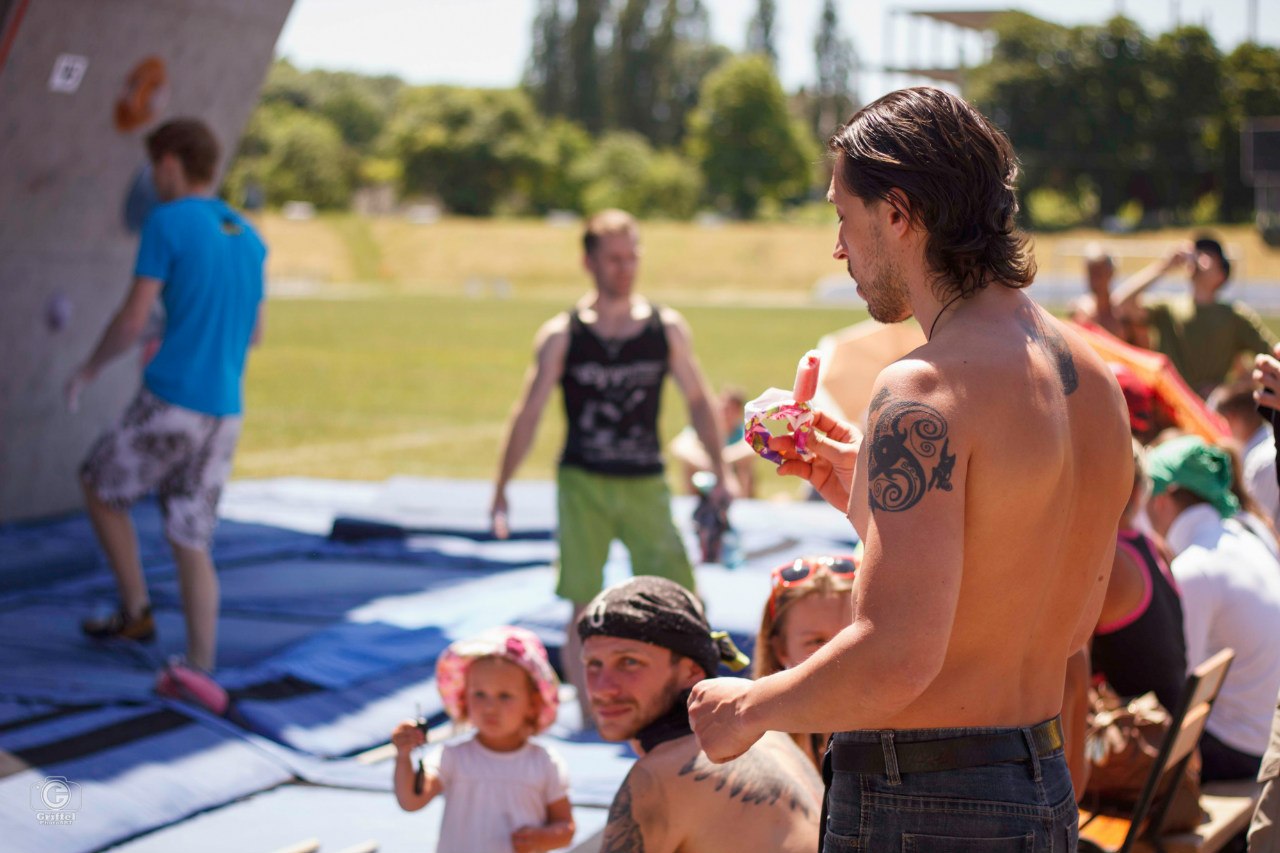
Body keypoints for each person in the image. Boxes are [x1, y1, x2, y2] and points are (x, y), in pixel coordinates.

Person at [687, 86, 1133, 850]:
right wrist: (858, 480)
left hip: (924, 795)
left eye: (842, 217)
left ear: (897, 214)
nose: (838, 248)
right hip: (1037, 777)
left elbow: (896, 657)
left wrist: (748, 708)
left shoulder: (920, 387)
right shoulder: (1091, 374)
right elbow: (1028, 590)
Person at [489, 209, 732, 723]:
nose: (624, 268)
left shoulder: (665, 328)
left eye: (632, 257)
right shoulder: (563, 334)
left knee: (683, 594)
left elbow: (698, 399)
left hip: (643, 479)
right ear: (589, 261)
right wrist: (502, 485)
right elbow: (528, 411)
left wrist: (722, 471)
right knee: (583, 601)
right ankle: (591, 713)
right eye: (613, 259)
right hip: (584, 481)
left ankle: (698, 706)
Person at [65, 118, 266, 686]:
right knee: (190, 537)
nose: (154, 178)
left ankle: (136, 611)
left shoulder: (168, 222)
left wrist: (89, 367)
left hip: (173, 397)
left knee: (101, 488)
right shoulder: (247, 235)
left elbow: (132, 319)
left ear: (171, 162)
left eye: (155, 166)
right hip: (225, 409)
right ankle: (200, 665)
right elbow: (255, 334)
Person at [578, 576, 823, 853]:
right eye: (593, 664)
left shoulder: (658, 780)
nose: (602, 689)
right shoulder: (769, 736)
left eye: (629, 662)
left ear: (691, 672)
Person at [1143, 435, 1280, 783]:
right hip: (1265, 736)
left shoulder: (1194, 568)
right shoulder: (1242, 536)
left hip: (1242, 750)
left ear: (1162, 499)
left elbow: (1178, 682)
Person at [391, 626, 574, 853]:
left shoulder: (545, 762)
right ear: (464, 698)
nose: (489, 707)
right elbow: (411, 800)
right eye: (479, 694)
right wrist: (403, 755)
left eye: (504, 696)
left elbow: (565, 827)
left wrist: (543, 839)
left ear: (532, 703)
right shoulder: (451, 757)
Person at [1112, 235, 1277, 396]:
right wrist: (1164, 267)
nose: (1198, 257)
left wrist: (1230, 388)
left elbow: (1272, 355)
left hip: (1207, 413)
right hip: (1167, 404)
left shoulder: (1234, 316)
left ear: (1221, 275)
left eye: (1208, 256)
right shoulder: (1168, 307)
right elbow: (1121, 303)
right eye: (1198, 252)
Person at [1091, 439, 1186, 713]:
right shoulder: (1155, 545)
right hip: (1171, 728)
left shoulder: (1109, 559)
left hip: (1140, 741)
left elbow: (1070, 667)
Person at [752, 555, 856, 770]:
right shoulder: (756, 755)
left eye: (851, 637)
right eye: (816, 641)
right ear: (781, 649)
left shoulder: (909, 738)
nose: (837, 654)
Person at [670, 386, 756, 498]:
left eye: (729, 410)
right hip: (704, 472)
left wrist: (720, 461)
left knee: (744, 468)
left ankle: (740, 505)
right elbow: (679, 446)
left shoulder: (743, 431)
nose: (724, 414)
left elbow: (752, 449)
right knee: (689, 467)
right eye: (722, 409)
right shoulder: (703, 428)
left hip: (731, 476)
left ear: (738, 413)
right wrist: (708, 463)